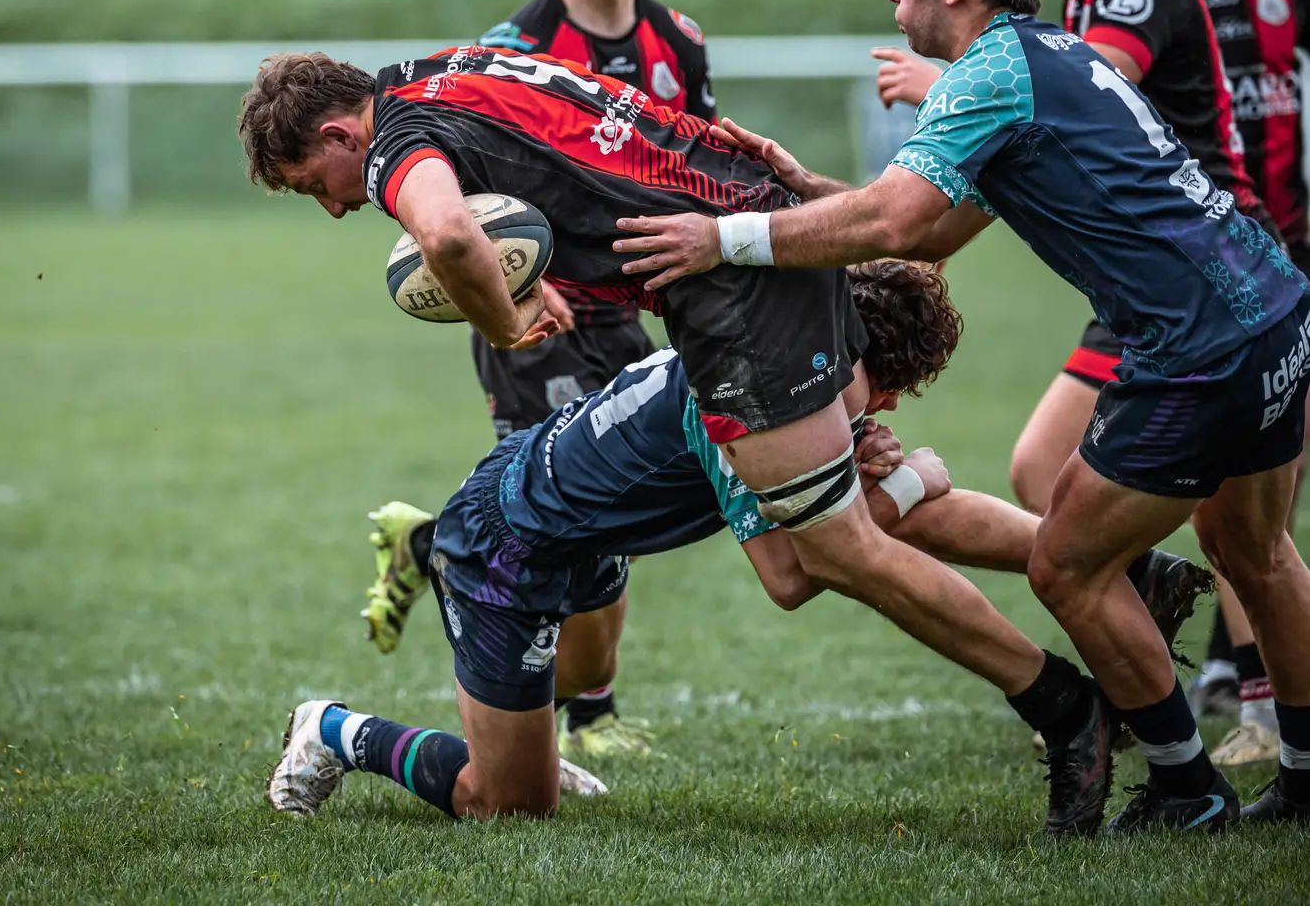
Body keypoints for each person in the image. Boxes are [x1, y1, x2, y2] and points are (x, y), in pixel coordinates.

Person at [237, 41, 1120, 835]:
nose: (335, 208)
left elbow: (446, 235)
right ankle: (342, 728)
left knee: (837, 541)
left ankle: (1064, 694)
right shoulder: (444, 70)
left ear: (339, 135)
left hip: (721, 289)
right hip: (741, 231)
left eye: (315, 185)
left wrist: (504, 322)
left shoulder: (394, 136)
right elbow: (551, 157)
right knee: (516, 793)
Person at [611, 0, 1310, 829]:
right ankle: (1303, 781)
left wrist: (721, 238)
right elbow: (932, 234)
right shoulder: (1044, 53)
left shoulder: (987, 73)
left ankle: (1187, 790)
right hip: (1273, 309)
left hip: (1199, 350)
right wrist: (804, 186)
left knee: (1066, 566)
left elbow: (897, 221)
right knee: (1253, 550)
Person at [264, 264, 1195, 824]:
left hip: (586, 534)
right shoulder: (754, 394)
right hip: (507, 547)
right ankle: (333, 730)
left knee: (584, 682)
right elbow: (793, 577)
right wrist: (908, 480)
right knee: (506, 804)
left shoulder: (793, 355)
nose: (881, 410)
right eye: (885, 394)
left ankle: (1107, 562)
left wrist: (891, 480)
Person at [364, 0, 718, 759]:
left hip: (633, 305)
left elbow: (690, 161)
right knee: (552, 510)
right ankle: (581, 717)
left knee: (623, 493)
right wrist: (526, 284)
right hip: (535, 316)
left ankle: (427, 546)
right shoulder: (514, 49)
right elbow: (464, 201)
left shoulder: (677, 42)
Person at [868, 0, 1270, 517]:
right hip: (1176, 271)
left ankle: (1130, 587)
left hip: (1194, 268)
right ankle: (1165, 590)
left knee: (1051, 486)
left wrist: (947, 91)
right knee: (1239, 542)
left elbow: (1080, 101)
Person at [1155, 0, 1310, 768]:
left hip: (1291, 261)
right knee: (1232, 502)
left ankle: (1255, 694)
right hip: (1190, 275)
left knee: (1264, 505)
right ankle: (1231, 673)